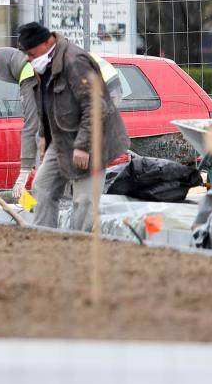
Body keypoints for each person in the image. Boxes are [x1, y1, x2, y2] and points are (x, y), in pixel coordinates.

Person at [18, 21, 129, 232]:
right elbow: (47, 102)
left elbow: (96, 106)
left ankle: (81, 246)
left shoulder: (75, 62)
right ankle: (45, 239)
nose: (29, 59)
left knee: (84, 200)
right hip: (62, 139)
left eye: (31, 54)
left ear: (45, 43)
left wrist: (83, 145)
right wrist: (44, 135)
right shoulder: (44, 64)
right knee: (43, 187)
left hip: (92, 140)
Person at [0, 44, 123, 204]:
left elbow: (31, 124)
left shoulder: (28, 71)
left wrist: (24, 171)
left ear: (7, 71)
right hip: (109, 84)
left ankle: (72, 205)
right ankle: (73, 201)